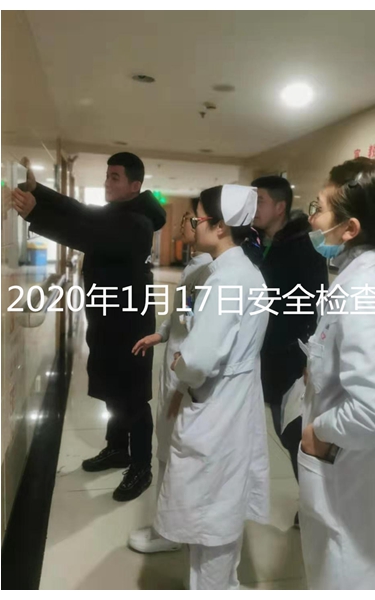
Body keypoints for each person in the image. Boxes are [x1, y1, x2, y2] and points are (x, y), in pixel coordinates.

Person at [12, 153, 166, 502]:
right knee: (113, 389)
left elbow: (87, 235)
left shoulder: (138, 222)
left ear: (134, 186)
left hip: (130, 324)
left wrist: (36, 213)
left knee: (133, 397)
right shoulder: (120, 212)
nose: (107, 182)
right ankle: (118, 448)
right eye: (107, 175)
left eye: (115, 177)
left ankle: (141, 466)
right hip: (108, 319)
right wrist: (40, 191)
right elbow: (82, 212)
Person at [154, 185, 270, 590]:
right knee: (221, 505)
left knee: (211, 514)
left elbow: (199, 360)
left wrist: (180, 364)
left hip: (217, 406)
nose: (192, 225)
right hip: (233, 400)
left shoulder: (226, 281)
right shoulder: (242, 272)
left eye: (197, 218)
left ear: (220, 227)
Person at [299, 157, 375, 589]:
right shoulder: (361, 276)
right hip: (353, 475)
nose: (312, 218)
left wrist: (319, 431)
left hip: (349, 476)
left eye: (319, 208)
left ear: (350, 228)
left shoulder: (365, 288)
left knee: (345, 572)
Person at [127, 201, 212, 553]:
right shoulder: (195, 264)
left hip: (185, 374)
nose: (183, 223)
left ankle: (172, 532)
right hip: (177, 364)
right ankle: (168, 524)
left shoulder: (209, 271)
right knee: (168, 447)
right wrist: (161, 333)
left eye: (191, 218)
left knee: (176, 452)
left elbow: (202, 332)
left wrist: (183, 384)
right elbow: (181, 312)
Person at [252, 176, 328, 513]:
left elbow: (316, 303)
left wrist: (309, 356)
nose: (253, 208)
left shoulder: (302, 245)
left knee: (295, 433)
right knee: (284, 431)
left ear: (280, 206)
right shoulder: (260, 242)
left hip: (293, 358)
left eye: (260, 201)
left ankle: (315, 505)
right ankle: (311, 502)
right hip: (268, 355)